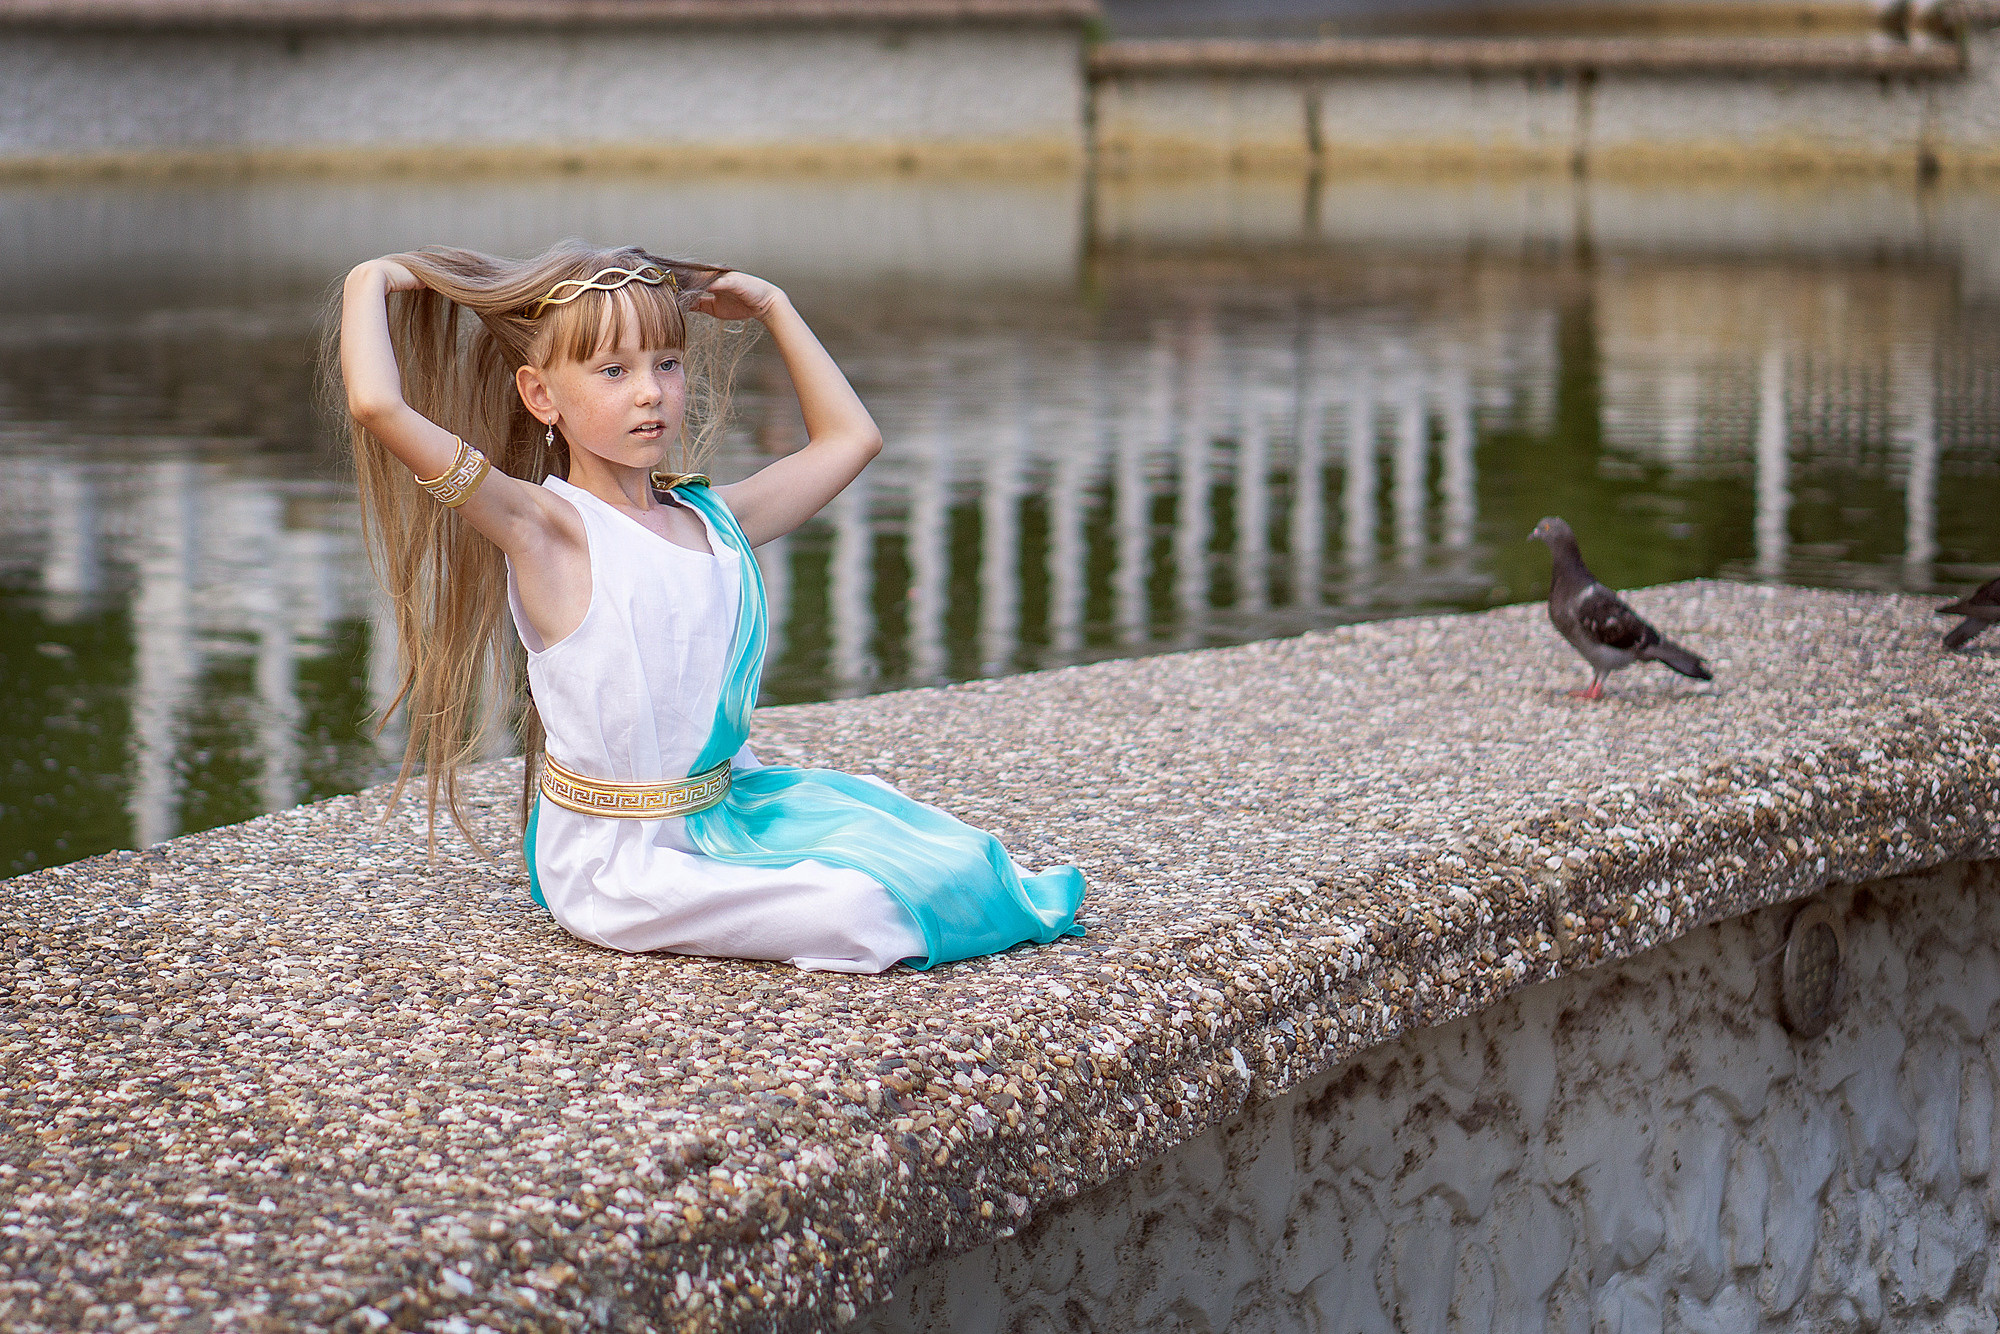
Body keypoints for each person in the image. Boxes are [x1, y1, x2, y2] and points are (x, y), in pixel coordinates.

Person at [337, 240, 1084, 972]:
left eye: (667, 363)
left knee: (941, 852)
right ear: (542, 396)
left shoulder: (712, 517)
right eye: (612, 371)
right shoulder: (544, 529)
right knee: (864, 906)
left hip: (726, 814)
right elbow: (377, 404)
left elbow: (854, 439)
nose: (649, 392)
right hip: (623, 863)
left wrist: (772, 306)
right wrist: (370, 277)